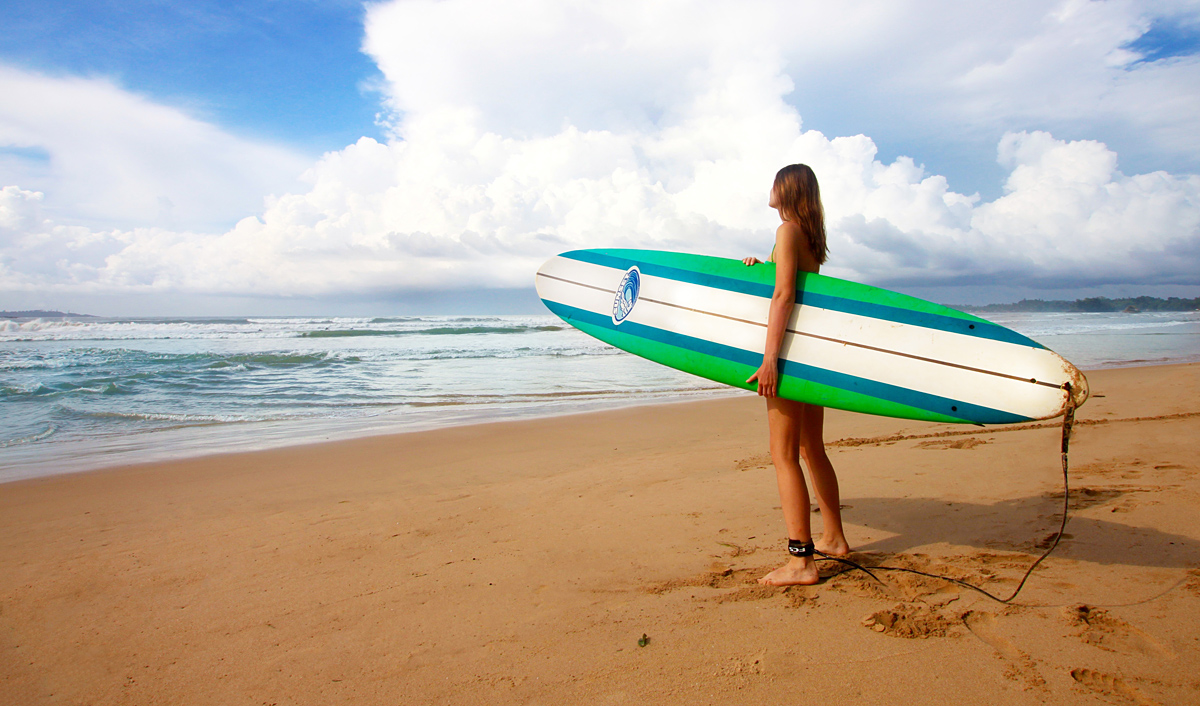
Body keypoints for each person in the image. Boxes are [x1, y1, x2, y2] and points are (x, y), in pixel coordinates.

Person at [742, 164, 850, 586]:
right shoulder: (806, 235)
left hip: (786, 355)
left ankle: (801, 561)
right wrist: (759, 266)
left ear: (786, 189)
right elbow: (788, 284)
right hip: (810, 355)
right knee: (812, 450)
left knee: (783, 455)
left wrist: (770, 360)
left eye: (773, 182)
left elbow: (785, 295)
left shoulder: (787, 230)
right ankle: (835, 538)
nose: (768, 189)